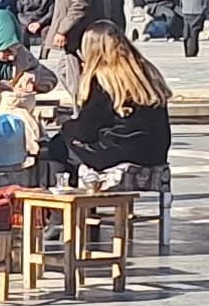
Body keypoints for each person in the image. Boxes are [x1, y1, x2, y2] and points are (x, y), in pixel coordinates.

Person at [50, 24, 172, 189]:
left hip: (119, 152)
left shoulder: (104, 80)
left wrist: (66, 126)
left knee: (59, 145)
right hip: (154, 153)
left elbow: (86, 129)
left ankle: (66, 207)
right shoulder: (145, 73)